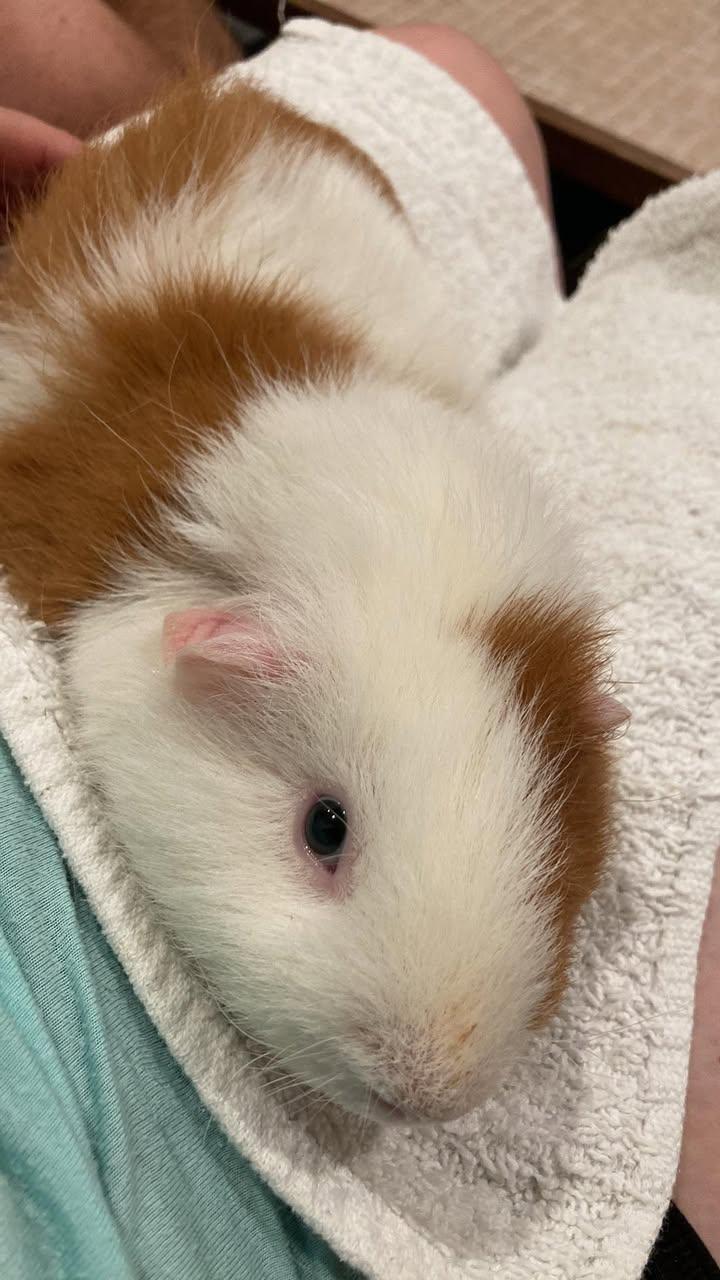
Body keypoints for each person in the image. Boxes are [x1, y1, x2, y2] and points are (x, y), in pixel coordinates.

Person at [0, 5, 717, 1278]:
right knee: (467, 93)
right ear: (213, 644)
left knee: (454, 80)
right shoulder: (172, 605)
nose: (429, 1073)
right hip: (281, 268)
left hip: (307, 271)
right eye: (325, 829)